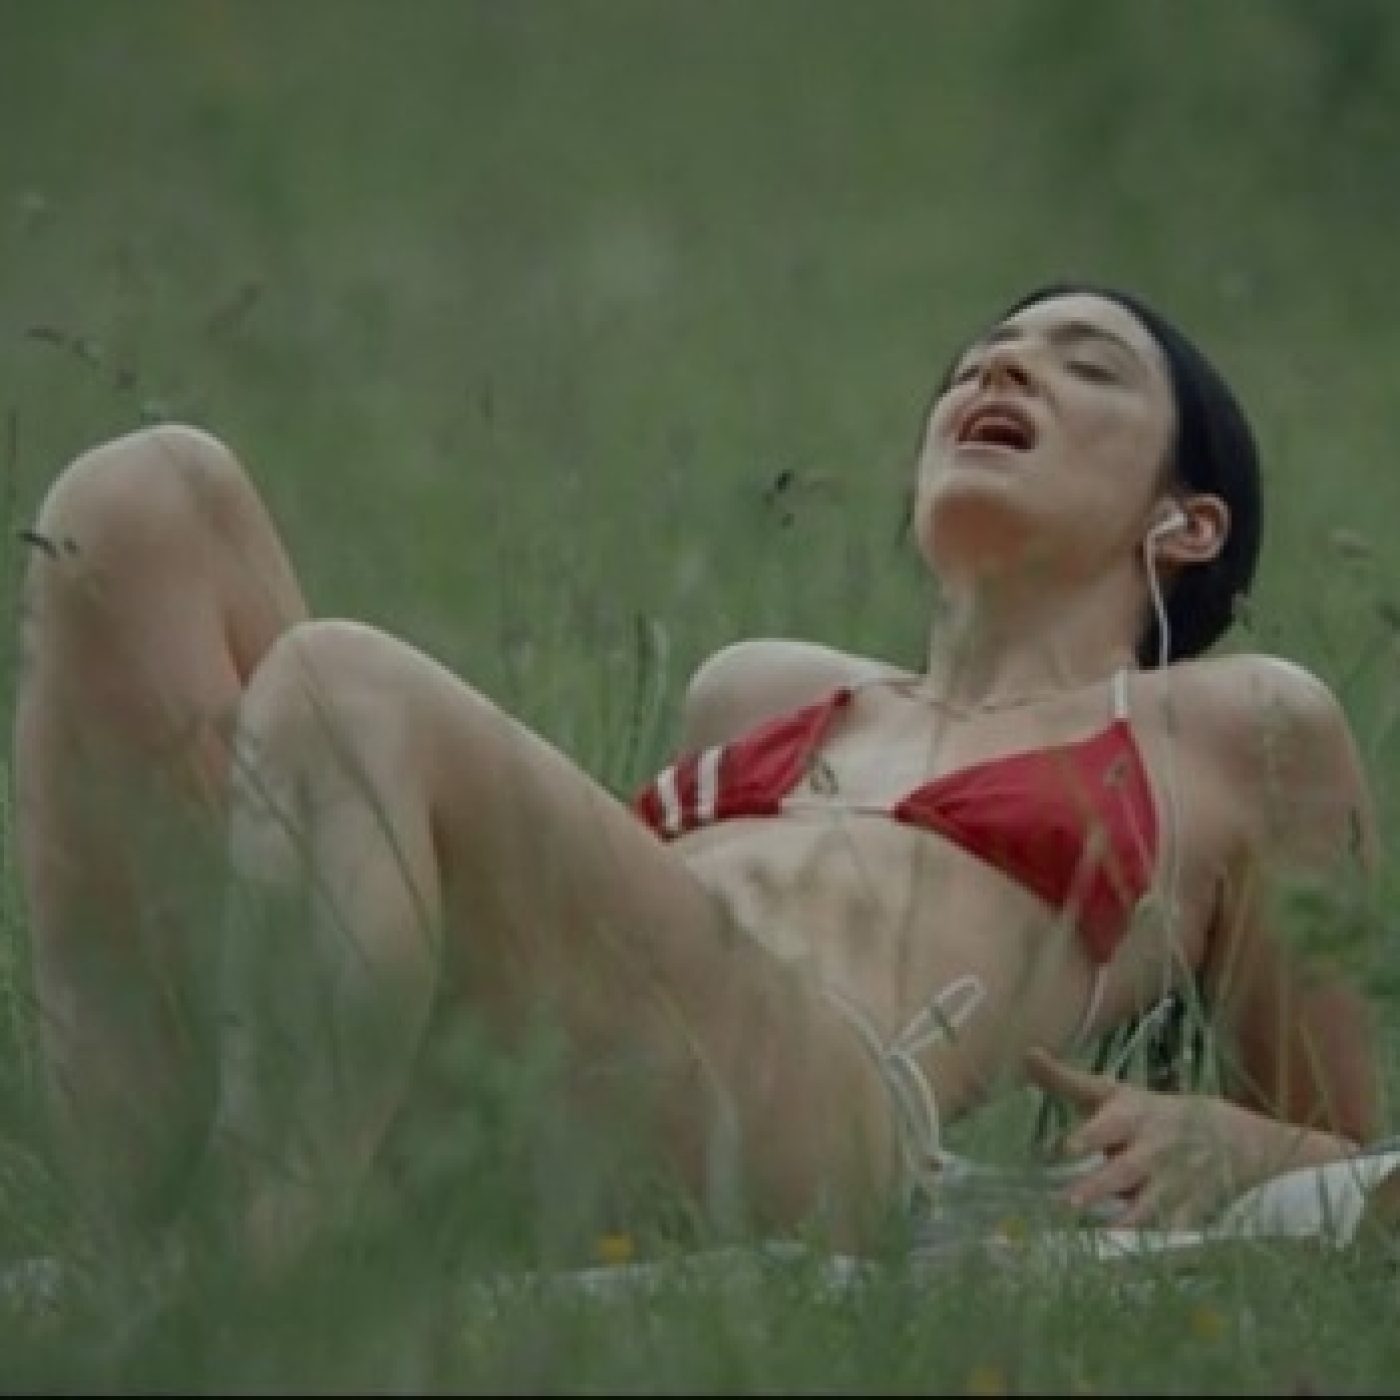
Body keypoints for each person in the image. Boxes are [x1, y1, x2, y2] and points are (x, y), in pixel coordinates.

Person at [11, 282, 1387, 1277]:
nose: (1005, 370)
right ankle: (146, 1217)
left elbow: (1355, 1146)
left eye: (1083, 366)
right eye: (980, 360)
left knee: (343, 687)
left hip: (826, 1119)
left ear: (1186, 522)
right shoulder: (759, 688)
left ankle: (250, 1288)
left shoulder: (1236, 724)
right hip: (573, 1069)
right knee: (139, 499)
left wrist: (1249, 1147)